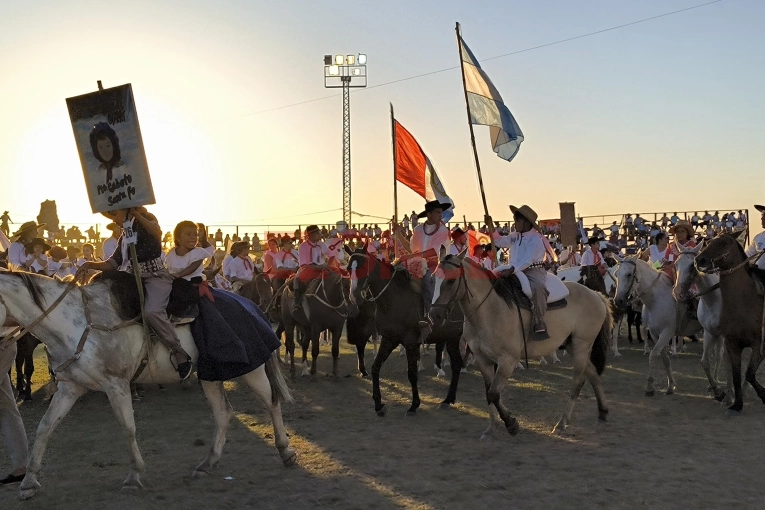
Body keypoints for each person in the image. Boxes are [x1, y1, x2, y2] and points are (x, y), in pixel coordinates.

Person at [76, 207, 193, 381]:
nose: (113, 220)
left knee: (152, 311)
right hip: (131, 277)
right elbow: (112, 263)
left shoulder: (146, 219)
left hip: (155, 277)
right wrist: (89, 264)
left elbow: (157, 232)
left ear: (127, 210)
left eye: (114, 215)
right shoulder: (124, 235)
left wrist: (137, 214)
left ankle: (179, 353)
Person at [487, 205, 555, 338]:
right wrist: (491, 228)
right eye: (514, 220)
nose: (514, 223)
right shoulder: (516, 236)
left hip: (534, 271)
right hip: (513, 269)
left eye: (517, 221)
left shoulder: (535, 239)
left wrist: (511, 270)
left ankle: (539, 321)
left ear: (527, 222)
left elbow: (527, 260)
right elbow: (499, 242)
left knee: (538, 288)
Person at [409, 200, 452, 332]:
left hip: (437, 265)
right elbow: (413, 248)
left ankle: (429, 317)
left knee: (428, 280)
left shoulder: (443, 230)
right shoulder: (418, 229)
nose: (441, 215)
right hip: (417, 263)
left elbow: (435, 250)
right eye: (438, 212)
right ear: (429, 214)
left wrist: (415, 257)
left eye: (441, 212)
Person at [1, 334, 29, 485]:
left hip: (3, 344)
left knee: (8, 410)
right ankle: (22, 466)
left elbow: (13, 316)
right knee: (7, 409)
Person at [292, 225, 334, 315]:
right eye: (318, 233)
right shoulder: (302, 246)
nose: (320, 235)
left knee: (337, 277)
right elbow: (304, 265)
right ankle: (297, 303)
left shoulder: (321, 244)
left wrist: (328, 265)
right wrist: (319, 267)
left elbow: (332, 255)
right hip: (309, 269)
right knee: (297, 280)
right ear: (310, 235)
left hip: (323, 268)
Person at [745, 204, 765, 277]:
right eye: (762, 216)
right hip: (759, 274)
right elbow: (748, 256)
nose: (761, 219)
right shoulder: (758, 237)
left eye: (764, 216)